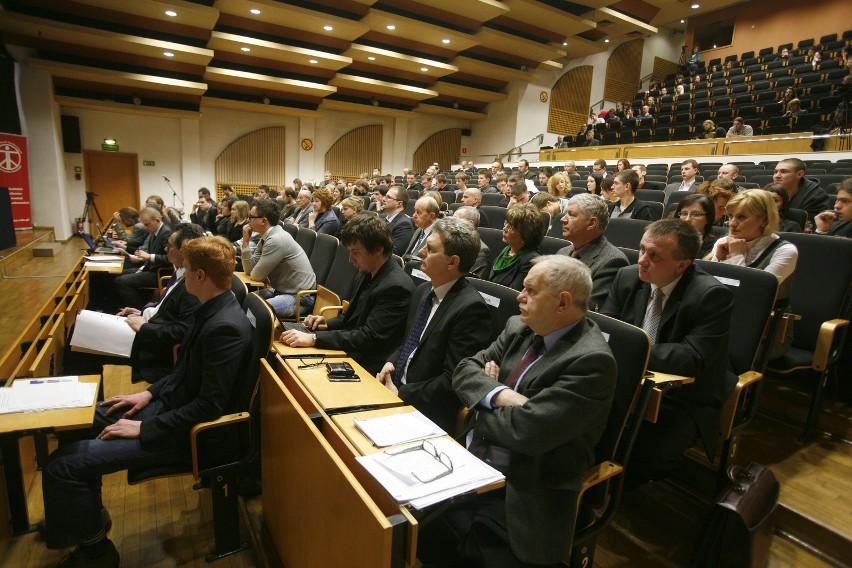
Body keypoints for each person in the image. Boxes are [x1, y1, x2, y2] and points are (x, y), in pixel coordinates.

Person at [41, 235, 253, 567]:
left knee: (62, 466)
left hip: (186, 432)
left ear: (200, 276)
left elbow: (210, 406)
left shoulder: (224, 326)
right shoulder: (213, 308)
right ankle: (87, 518)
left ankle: (97, 552)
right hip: (168, 407)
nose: (180, 272)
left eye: (187, 267)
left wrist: (144, 428)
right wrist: (148, 392)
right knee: (77, 420)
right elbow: (183, 371)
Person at [447, 255, 617, 567]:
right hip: (470, 459)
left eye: (530, 290)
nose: (519, 296)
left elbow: (526, 433)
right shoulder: (519, 327)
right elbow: (464, 370)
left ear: (563, 303)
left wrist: (482, 402)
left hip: (525, 486)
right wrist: (502, 395)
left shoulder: (591, 362)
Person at [601, 219, 735, 488]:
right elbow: (607, 330)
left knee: (643, 457)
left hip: (684, 396)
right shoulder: (627, 277)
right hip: (631, 379)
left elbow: (693, 357)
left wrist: (633, 348)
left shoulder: (710, 295)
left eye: (654, 256)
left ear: (682, 265)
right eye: (641, 250)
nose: (642, 260)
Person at [376, 218, 491, 433]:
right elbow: (408, 341)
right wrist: (391, 363)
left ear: (452, 262)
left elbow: (453, 380)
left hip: (424, 412)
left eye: (430, 249)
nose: (420, 252)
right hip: (393, 390)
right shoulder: (423, 291)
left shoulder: (470, 309)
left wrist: (402, 393)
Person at [279, 214, 414, 374]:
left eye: (356, 252)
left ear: (378, 249)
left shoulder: (396, 287)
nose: (350, 259)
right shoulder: (365, 272)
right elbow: (350, 317)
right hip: (352, 348)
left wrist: (314, 338)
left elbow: (368, 337)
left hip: (367, 364)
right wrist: (327, 323)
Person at [712, 189, 798, 357]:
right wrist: (720, 260)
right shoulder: (723, 242)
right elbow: (710, 287)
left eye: (741, 217)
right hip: (725, 320)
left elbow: (754, 296)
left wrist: (736, 256)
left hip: (766, 331)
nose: (732, 224)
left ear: (764, 219)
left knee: (710, 352)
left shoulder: (786, 251)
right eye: (730, 216)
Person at [119, 223, 205, 383]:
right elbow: (164, 306)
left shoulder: (194, 283)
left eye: (170, 246)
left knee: (85, 345)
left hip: (153, 344)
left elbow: (182, 331)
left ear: (184, 250)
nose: (165, 249)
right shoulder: (181, 271)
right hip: (148, 325)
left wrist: (145, 327)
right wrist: (141, 312)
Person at [241, 199, 315, 318]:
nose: (248, 220)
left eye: (251, 217)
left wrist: (260, 273)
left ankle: (258, 336)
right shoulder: (267, 237)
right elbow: (250, 270)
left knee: (255, 311)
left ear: (263, 220)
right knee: (247, 300)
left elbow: (256, 275)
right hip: (282, 290)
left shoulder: (276, 239)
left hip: (300, 297)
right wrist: (245, 242)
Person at [557, 193, 628, 311]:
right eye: (565, 213)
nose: (563, 219)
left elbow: (583, 309)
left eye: (572, 215)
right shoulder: (562, 252)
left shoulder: (612, 262)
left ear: (591, 223)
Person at [113, 207, 173, 310]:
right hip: (150, 269)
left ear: (157, 220)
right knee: (116, 274)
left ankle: (140, 311)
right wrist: (142, 266)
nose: (145, 227)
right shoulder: (155, 232)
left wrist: (149, 257)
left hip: (159, 273)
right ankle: (118, 308)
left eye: (147, 224)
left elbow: (171, 259)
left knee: (120, 281)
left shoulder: (166, 233)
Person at [489, 203, 545, 291]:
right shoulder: (507, 250)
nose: (505, 228)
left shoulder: (531, 261)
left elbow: (512, 294)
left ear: (525, 235)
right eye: (506, 223)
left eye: (511, 227)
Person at [772, 158, 831, 222]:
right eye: (775, 172)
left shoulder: (816, 196)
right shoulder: (770, 190)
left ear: (799, 174)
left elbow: (811, 226)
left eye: (783, 172)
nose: (777, 176)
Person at [673, 193, 717, 258]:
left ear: (708, 219)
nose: (687, 219)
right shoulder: (670, 240)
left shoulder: (714, 247)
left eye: (695, 214)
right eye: (684, 213)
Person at [454, 206, 492, 278]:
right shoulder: (451, 241)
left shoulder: (481, 251)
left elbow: (471, 281)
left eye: (455, 220)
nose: (451, 223)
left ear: (470, 223)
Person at [402, 195, 439, 261]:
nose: (414, 215)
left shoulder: (438, 236)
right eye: (415, 211)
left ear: (431, 216)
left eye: (418, 212)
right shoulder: (419, 230)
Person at [383, 185, 415, 255]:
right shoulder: (385, 220)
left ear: (399, 203)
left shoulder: (404, 225)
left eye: (388, 197)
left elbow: (395, 253)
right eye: (385, 196)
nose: (383, 199)